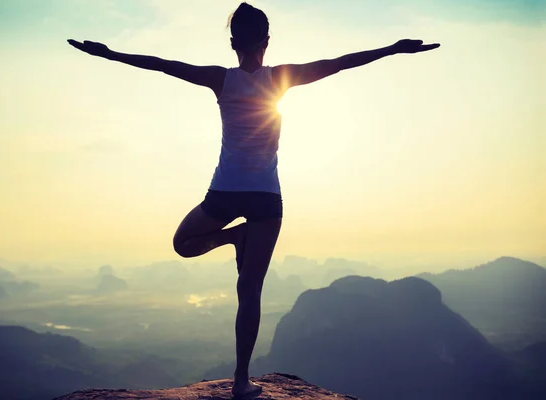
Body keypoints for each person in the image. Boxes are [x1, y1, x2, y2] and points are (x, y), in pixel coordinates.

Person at [68, 2, 439, 398]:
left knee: (183, 244)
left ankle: (232, 239)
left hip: (224, 193)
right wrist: (392, 49)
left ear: (232, 43)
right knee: (250, 293)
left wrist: (109, 54)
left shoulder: (220, 79)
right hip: (265, 197)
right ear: (267, 41)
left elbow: (162, 64)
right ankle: (242, 378)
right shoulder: (280, 78)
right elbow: (340, 62)